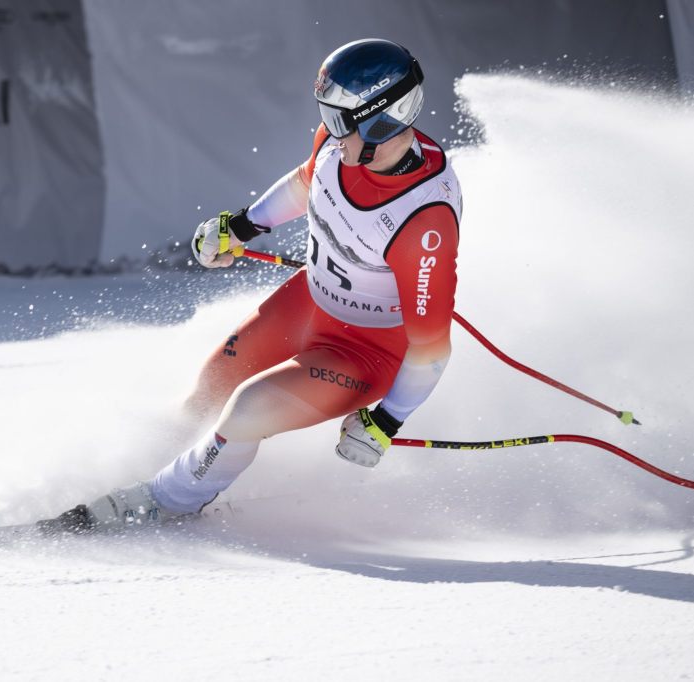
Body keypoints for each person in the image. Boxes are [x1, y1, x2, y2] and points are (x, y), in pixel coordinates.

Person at [38, 38, 461, 534]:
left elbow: (431, 349)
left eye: (340, 119)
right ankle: (148, 467)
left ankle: (170, 499)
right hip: (308, 304)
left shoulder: (425, 221)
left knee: (247, 409)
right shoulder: (340, 145)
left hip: (362, 353)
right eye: (326, 115)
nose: (328, 130)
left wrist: (386, 422)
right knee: (210, 388)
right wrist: (243, 226)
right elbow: (308, 182)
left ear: (382, 120)